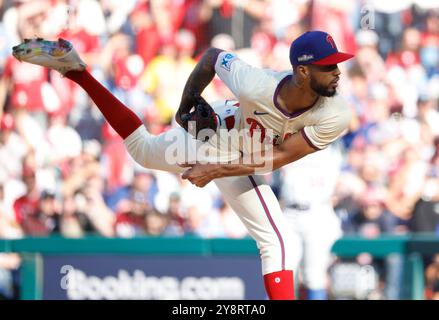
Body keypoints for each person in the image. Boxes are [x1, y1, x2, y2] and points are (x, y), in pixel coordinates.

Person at [12, 31, 353, 300]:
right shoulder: (255, 83)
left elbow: (277, 159)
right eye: (329, 66)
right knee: (279, 244)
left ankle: (76, 73)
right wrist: (187, 101)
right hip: (222, 130)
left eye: (337, 64)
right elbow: (211, 57)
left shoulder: (335, 112)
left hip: (240, 155)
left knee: (279, 242)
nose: (337, 72)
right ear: (303, 71)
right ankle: (78, 73)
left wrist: (214, 171)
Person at [280, 143, 343, 299]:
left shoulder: (330, 149)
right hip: (288, 212)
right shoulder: (288, 144)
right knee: (282, 271)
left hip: (317, 212)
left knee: (313, 275)